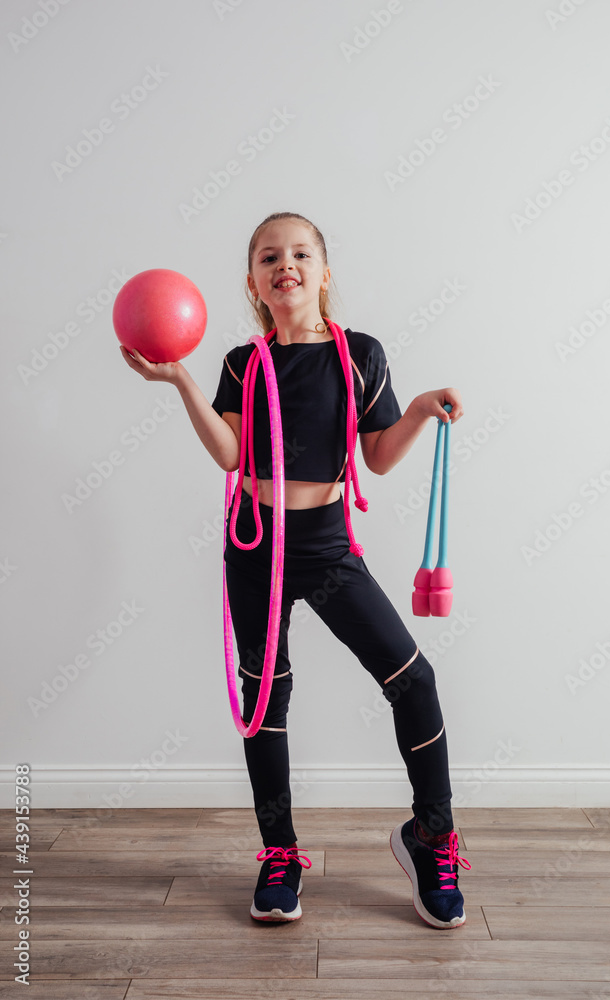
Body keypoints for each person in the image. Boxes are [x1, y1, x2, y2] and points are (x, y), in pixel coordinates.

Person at [120, 211, 470, 930]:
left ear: (324, 272)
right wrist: (180, 378)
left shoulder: (360, 354)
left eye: (301, 253)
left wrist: (420, 411)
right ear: (252, 281)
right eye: (269, 256)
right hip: (254, 548)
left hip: (327, 547)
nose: (286, 263)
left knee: (413, 679)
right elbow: (228, 453)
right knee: (264, 699)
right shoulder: (241, 365)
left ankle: (430, 836)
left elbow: (374, 454)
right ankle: (279, 855)